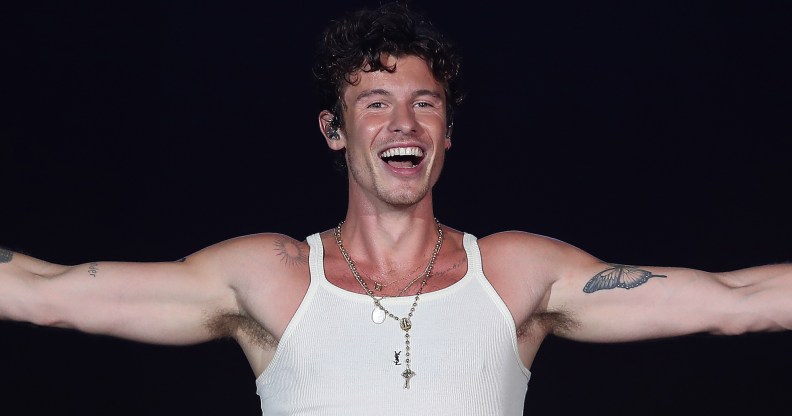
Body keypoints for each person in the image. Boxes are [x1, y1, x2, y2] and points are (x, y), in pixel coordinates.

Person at [2, 1, 790, 415]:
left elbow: (735, 301)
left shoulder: (516, 273)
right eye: (375, 103)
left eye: (424, 104)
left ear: (447, 132)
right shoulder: (270, 278)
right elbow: (49, 293)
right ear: (335, 131)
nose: (402, 123)